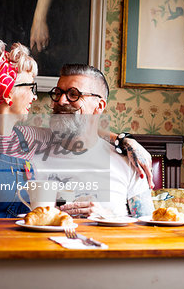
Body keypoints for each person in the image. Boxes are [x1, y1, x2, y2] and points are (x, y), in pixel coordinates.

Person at [0, 39, 153, 219]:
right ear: (7, 93)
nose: (37, 97)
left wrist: (125, 140)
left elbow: (80, 127)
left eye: (73, 94)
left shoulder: (26, 137)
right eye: (30, 87)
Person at [32, 64, 155, 217]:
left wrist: (106, 217)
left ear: (99, 106)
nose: (61, 101)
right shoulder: (32, 149)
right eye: (58, 93)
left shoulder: (129, 162)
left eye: (73, 94)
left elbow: (148, 229)